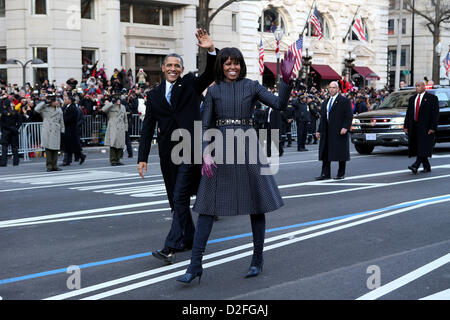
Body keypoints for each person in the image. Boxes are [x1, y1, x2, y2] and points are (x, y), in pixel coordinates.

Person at [176, 48, 296, 284]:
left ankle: (257, 259)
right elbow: (205, 124)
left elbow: (279, 104)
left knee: (256, 205)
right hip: (219, 148)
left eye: (236, 63)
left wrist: (287, 80)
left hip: (248, 146)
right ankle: (195, 265)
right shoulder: (213, 91)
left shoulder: (252, 86)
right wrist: (205, 153)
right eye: (228, 63)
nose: (233, 68)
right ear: (221, 65)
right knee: (207, 208)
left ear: (242, 65)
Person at [138, 29, 217, 264]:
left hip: (189, 148)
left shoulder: (191, 84)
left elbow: (210, 73)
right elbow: (148, 127)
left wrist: (210, 50)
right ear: (163, 68)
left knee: (180, 195)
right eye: (169, 65)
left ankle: (170, 246)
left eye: (177, 66)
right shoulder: (153, 95)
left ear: (181, 70)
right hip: (166, 153)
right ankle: (191, 240)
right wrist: (142, 157)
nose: (173, 69)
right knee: (175, 199)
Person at [315, 81, 353, 180]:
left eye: (334, 87)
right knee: (325, 152)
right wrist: (319, 130)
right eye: (330, 88)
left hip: (339, 130)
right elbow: (323, 118)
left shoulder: (344, 101)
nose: (331, 89)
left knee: (340, 152)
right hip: (327, 130)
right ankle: (325, 174)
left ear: (338, 89)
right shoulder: (326, 102)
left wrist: (345, 127)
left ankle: (341, 173)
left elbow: (348, 116)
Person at [404, 80, 439, 174]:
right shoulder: (412, 99)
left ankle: (415, 165)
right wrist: (406, 126)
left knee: (423, 146)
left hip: (426, 127)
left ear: (424, 87)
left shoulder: (432, 98)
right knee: (418, 146)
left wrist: (433, 128)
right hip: (414, 126)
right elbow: (408, 114)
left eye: (419, 85)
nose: (417, 87)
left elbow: (435, 114)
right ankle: (427, 167)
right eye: (416, 86)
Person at [35, 94, 65, 172]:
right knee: (48, 149)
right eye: (53, 101)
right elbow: (36, 109)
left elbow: (61, 120)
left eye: (55, 101)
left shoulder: (59, 109)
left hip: (56, 130)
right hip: (48, 129)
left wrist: (62, 129)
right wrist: (44, 102)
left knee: (55, 149)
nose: (55, 102)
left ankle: (55, 165)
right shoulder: (45, 108)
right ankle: (49, 166)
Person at [102, 96, 128, 166]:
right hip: (113, 127)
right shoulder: (111, 106)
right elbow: (103, 109)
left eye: (119, 99)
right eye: (117, 100)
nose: (119, 101)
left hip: (121, 127)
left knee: (120, 144)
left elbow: (125, 118)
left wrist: (126, 128)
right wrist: (111, 103)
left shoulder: (123, 107)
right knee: (113, 144)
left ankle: (118, 160)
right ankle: (113, 160)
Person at [61, 96, 86, 166]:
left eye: (66, 99)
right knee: (68, 146)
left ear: (70, 100)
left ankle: (81, 156)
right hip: (68, 129)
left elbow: (70, 119)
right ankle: (68, 161)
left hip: (71, 130)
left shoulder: (73, 108)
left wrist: (63, 119)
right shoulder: (67, 107)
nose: (64, 101)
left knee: (73, 146)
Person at [0, 99, 22, 167]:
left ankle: (3, 162)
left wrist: (4, 129)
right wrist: (16, 128)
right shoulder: (15, 112)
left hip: (6, 132)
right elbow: (20, 121)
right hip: (13, 131)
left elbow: (1, 123)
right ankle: (16, 162)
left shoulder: (4, 113)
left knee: (4, 148)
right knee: (14, 148)